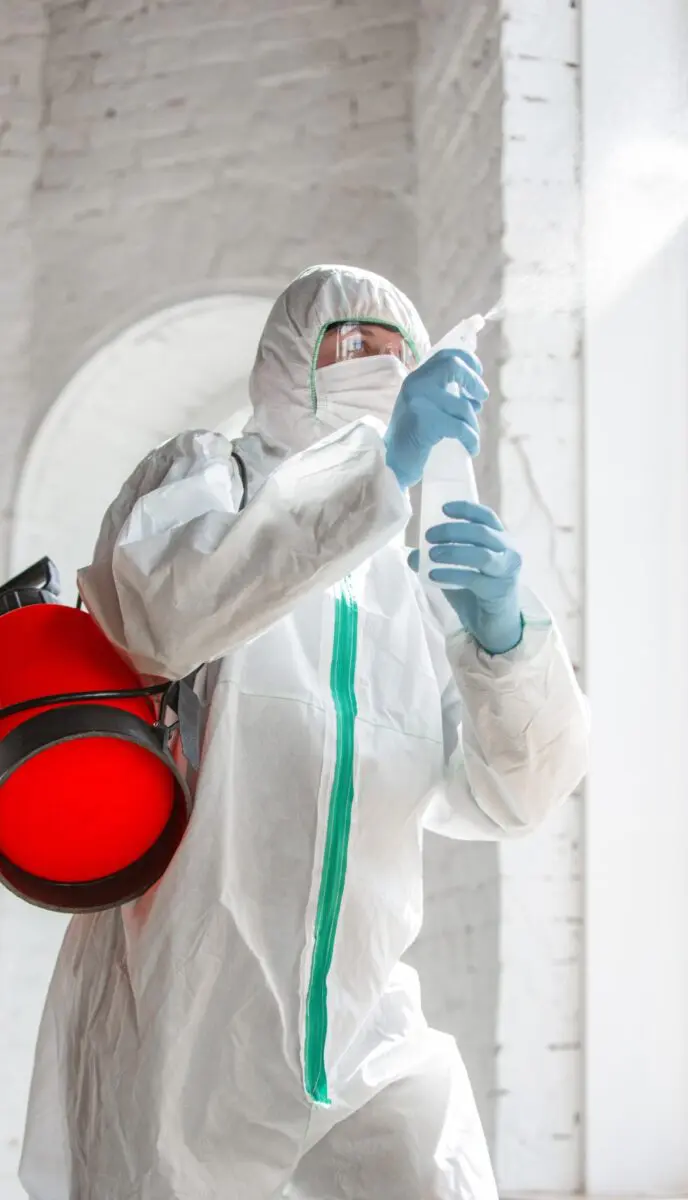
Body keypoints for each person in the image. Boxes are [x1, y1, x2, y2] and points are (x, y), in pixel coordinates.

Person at [20, 264, 588, 1200]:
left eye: (399, 352)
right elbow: (166, 617)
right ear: (287, 361)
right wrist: (379, 473)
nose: (385, 368)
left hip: (364, 1025)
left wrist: (506, 642)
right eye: (353, 345)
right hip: (190, 1019)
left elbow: (509, 794)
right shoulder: (205, 481)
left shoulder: (407, 584)